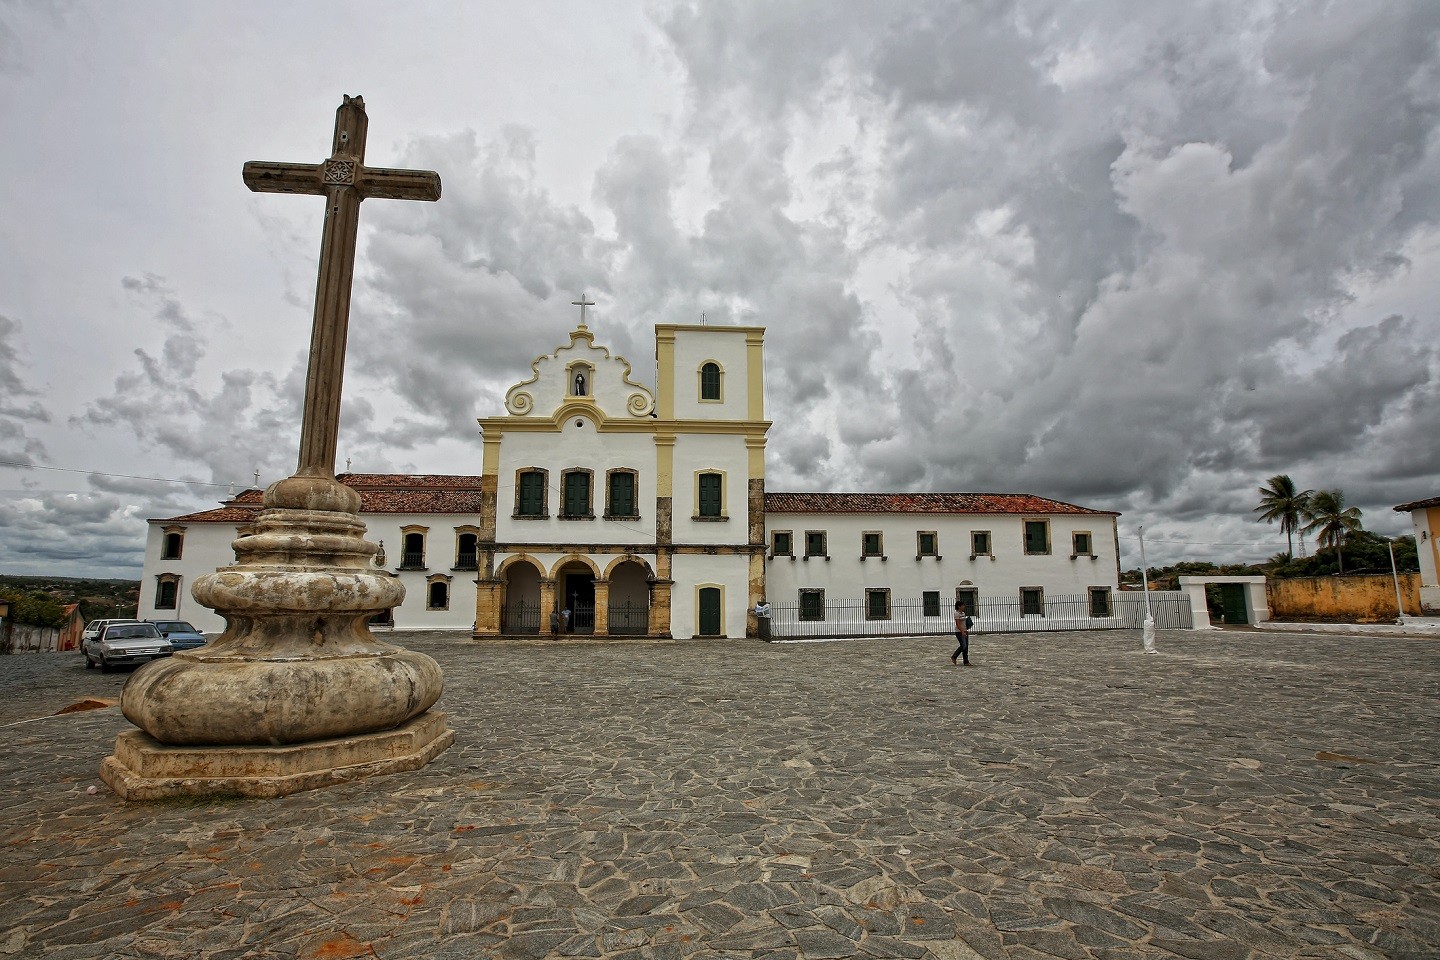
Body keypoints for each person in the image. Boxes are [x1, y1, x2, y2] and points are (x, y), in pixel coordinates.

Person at [951, 600, 972, 667]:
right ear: (959, 606)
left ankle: (966, 661)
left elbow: (963, 622)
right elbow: (958, 624)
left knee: (966, 647)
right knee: (963, 645)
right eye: (962, 605)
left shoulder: (963, 613)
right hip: (959, 632)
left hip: (965, 630)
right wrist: (962, 631)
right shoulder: (957, 614)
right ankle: (954, 656)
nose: (964, 606)